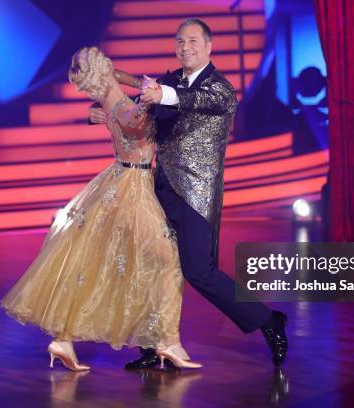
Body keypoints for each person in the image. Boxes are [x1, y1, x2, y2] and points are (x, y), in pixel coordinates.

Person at [0, 47, 201, 371]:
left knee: (98, 268)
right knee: (168, 260)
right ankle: (167, 341)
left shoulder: (113, 103)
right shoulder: (125, 110)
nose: (113, 67)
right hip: (133, 189)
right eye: (109, 66)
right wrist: (160, 101)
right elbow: (141, 124)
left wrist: (142, 92)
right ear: (105, 71)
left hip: (120, 181)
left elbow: (124, 94)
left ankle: (64, 339)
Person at [124, 18, 288, 369]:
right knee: (155, 266)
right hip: (161, 189)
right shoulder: (169, 81)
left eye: (194, 42)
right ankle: (154, 347)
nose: (186, 47)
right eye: (181, 42)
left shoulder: (220, 89)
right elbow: (142, 97)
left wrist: (160, 94)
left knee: (199, 271)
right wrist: (107, 106)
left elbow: (188, 99)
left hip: (197, 195)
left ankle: (268, 320)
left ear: (209, 47)